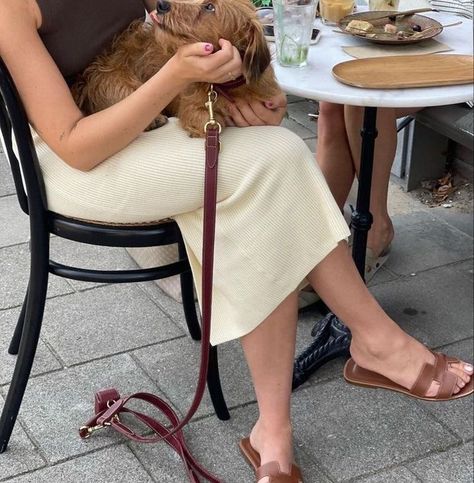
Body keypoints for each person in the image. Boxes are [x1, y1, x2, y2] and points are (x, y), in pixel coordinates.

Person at [0, 1, 472, 482]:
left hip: (140, 104)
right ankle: (372, 345)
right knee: (274, 160)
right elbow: (75, 144)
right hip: (69, 156)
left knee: (266, 167)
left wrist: (245, 91)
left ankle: (278, 427)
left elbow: (185, 19)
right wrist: (175, 77)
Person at [315, 0, 474, 280]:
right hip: (428, 38)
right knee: (332, 103)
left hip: (462, 57)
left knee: (363, 102)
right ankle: (323, 234)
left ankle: (377, 226)